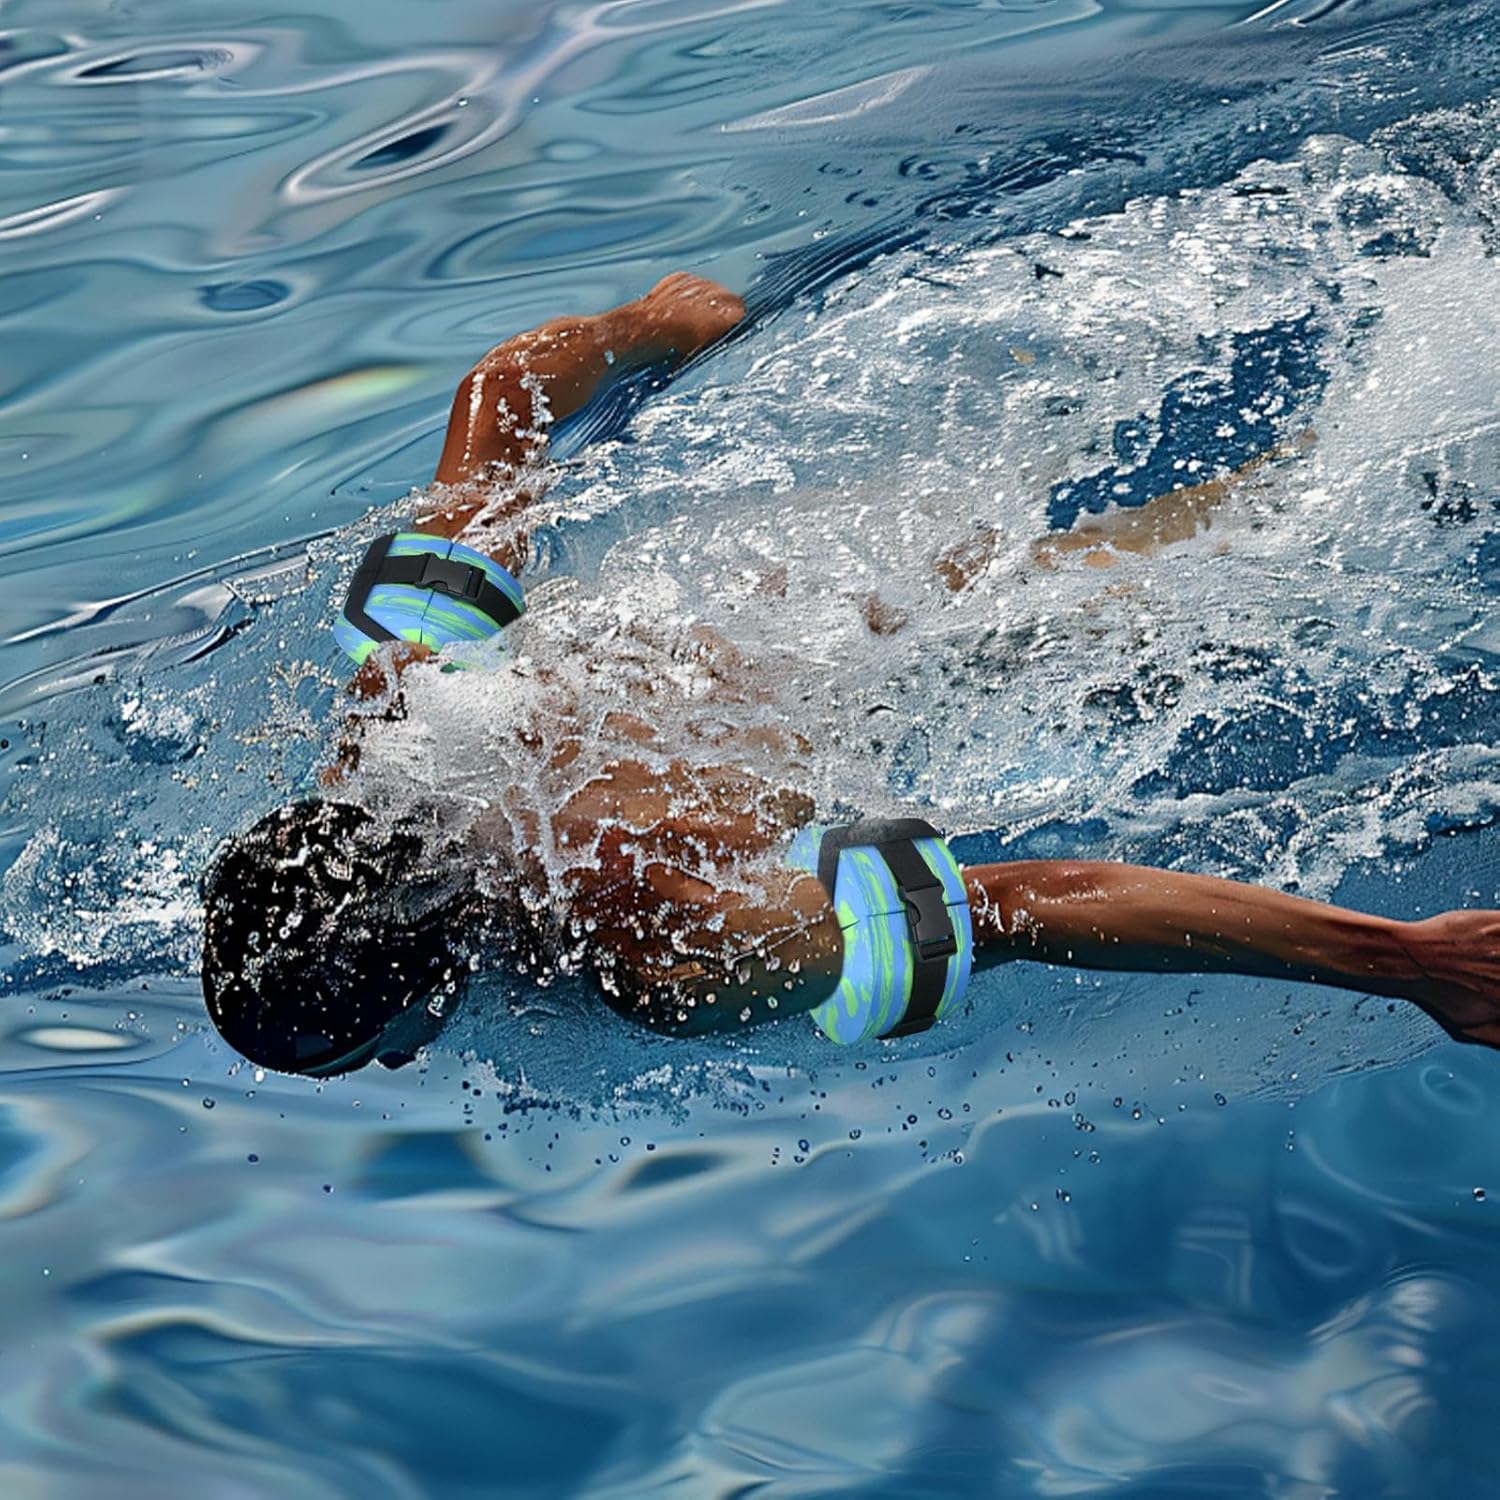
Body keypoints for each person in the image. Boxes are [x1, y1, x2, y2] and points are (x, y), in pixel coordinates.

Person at [200, 272, 1500, 1077]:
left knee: (1347, 521)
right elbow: (501, 396)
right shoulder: (400, 717)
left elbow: (1027, 901)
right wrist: (653, 325)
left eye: (364, 1056)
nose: (384, 1073)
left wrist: (1403, 960)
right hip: (800, 559)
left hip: (934, 659)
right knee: (1264, 491)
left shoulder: (657, 956)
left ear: (427, 989)